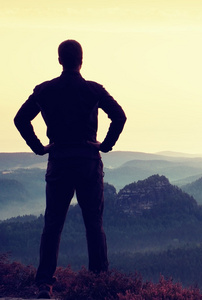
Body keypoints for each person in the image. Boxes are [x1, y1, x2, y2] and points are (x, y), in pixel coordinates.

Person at [14, 40, 126, 299]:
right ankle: (98, 282)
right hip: (88, 161)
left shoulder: (44, 90)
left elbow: (20, 119)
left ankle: (44, 283)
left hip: (59, 162)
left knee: (52, 224)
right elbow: (119, 116)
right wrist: (105, 146)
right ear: (81, 60)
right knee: (94, 224)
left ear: (59, 60)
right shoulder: (93, 90)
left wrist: (39, 148)